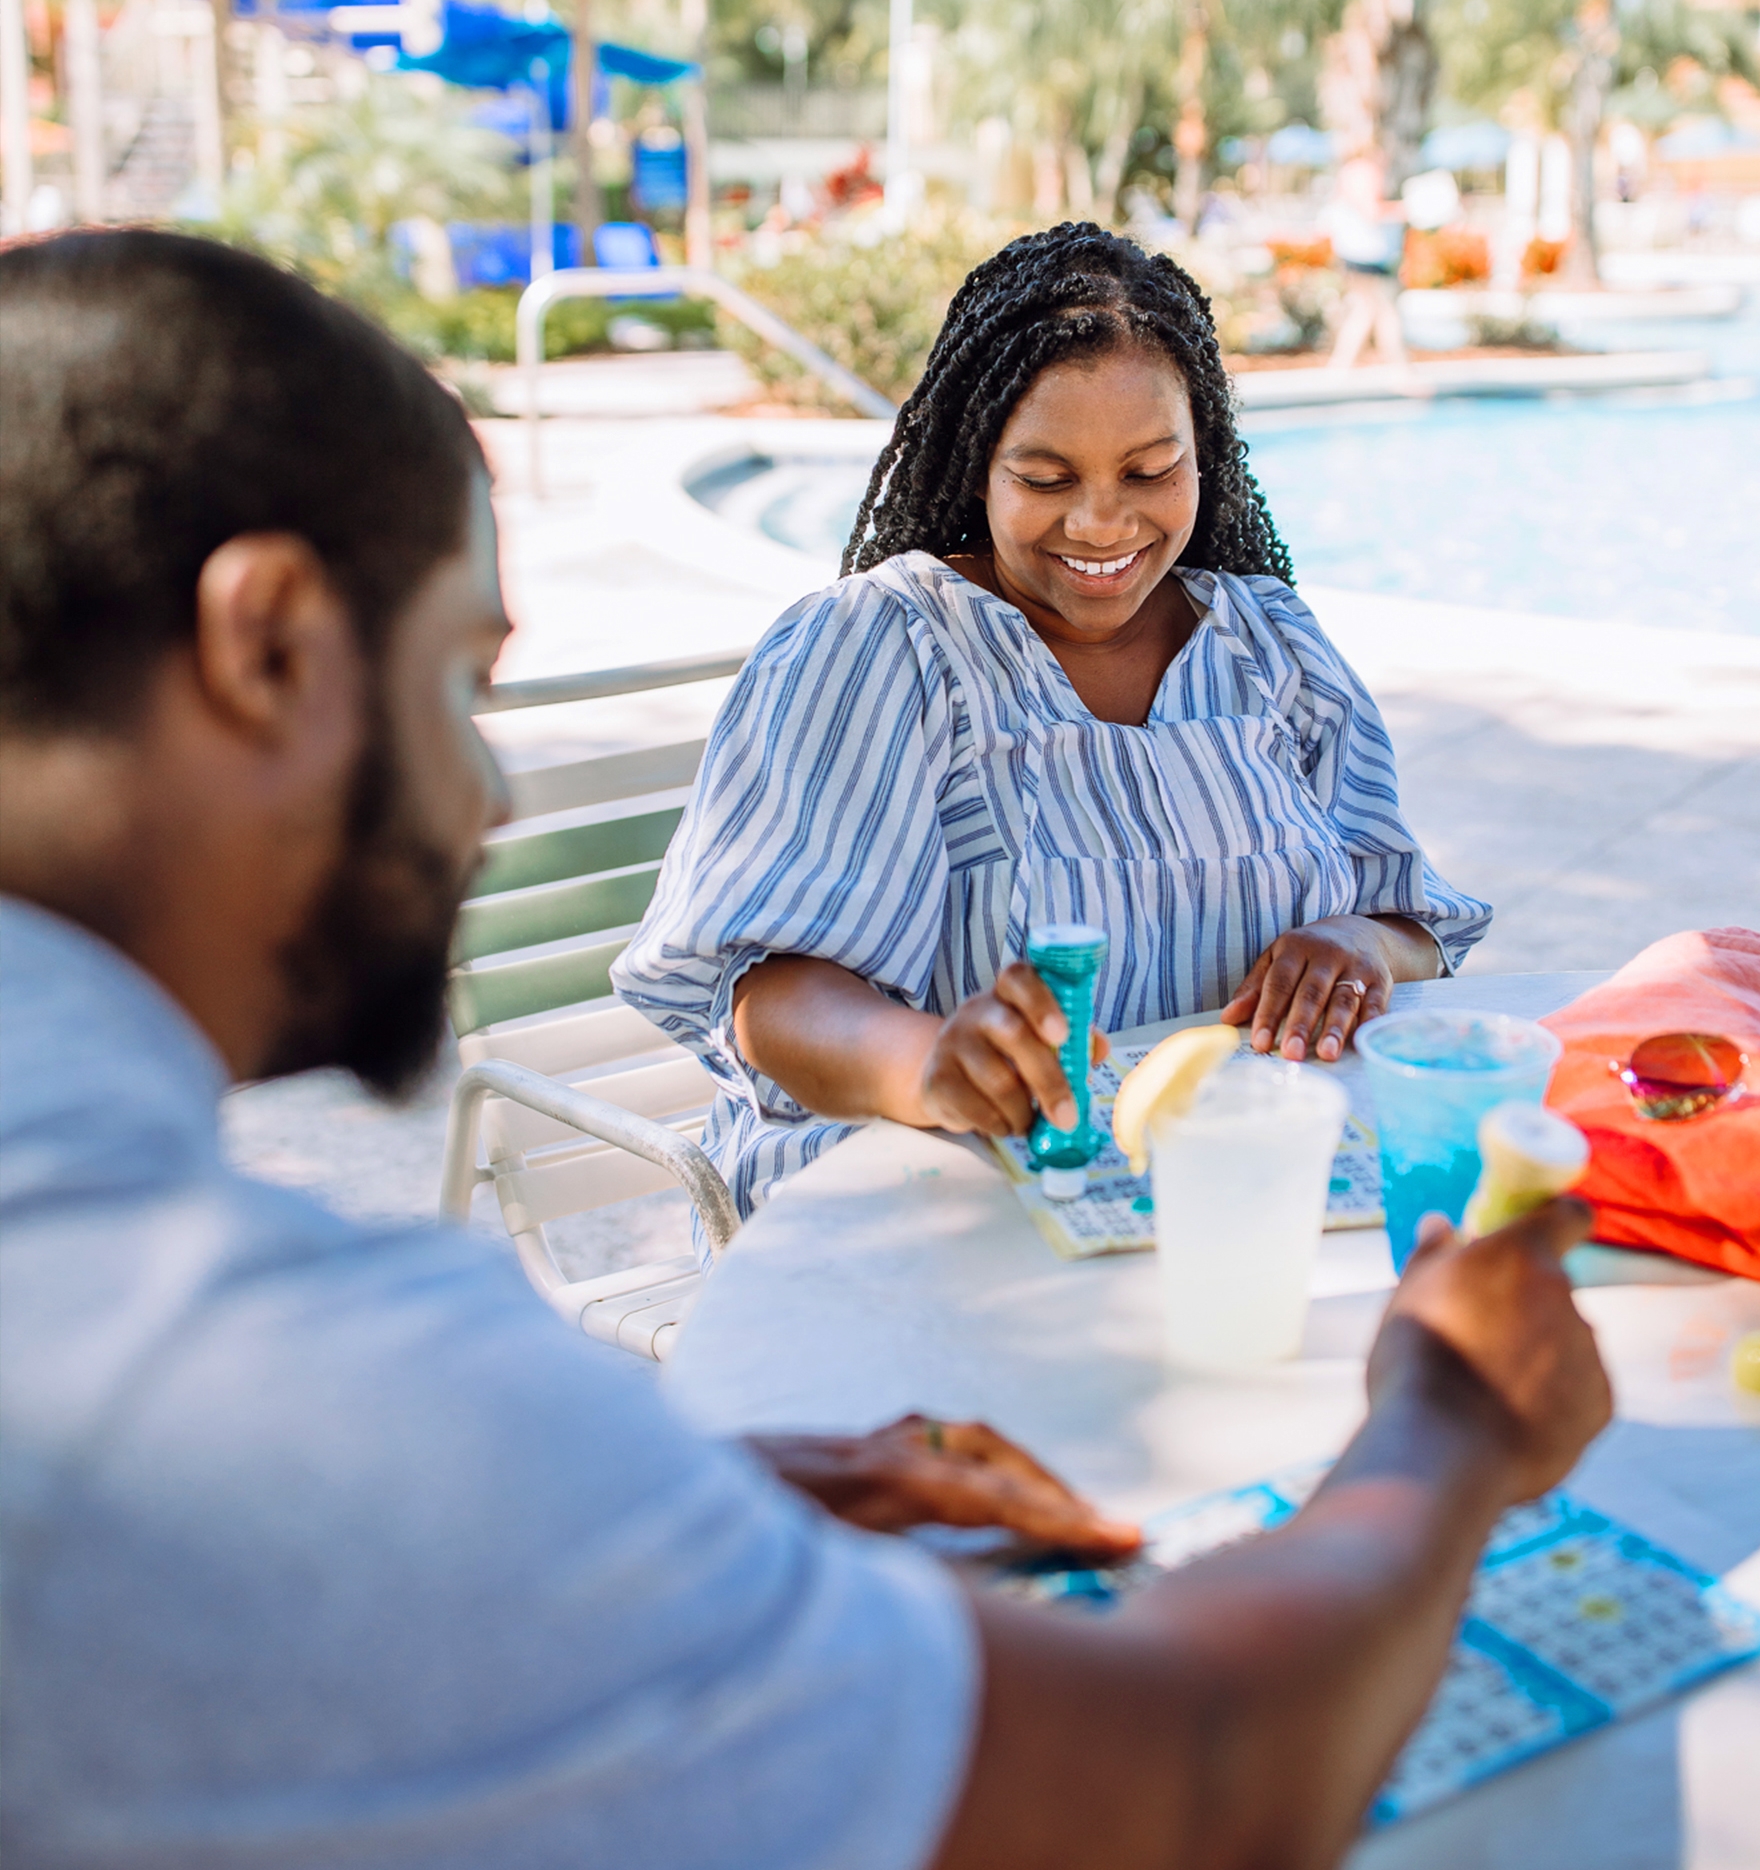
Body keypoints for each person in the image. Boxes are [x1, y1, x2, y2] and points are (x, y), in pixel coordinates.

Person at [1, 230, 1611, 1870]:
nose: (489, 802)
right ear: (265, 643)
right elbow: (1204, 1779)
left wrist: (709, 1504)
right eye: (459, 685)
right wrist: (1453, 1416)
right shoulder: (284, 1389)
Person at [617, 223, 1482, 1230]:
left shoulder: (1269, 643)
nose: (1103, 525)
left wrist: (1354, 946)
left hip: (1233, 1185)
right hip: (935, 1202)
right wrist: (926, 1065)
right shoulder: (882, 648)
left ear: (1209, 455)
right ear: (977, 464)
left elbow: (1415, 926)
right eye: (1046, 479)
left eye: (1152, 469)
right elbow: (769, 1001)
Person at [1326, 150, 1409, 372]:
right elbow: (1371, 211)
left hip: (1354, 253)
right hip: (1366, 255)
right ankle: (1398, 370)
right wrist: (1405, 209)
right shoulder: (1364, 173)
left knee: (1367, 311)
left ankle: (1340, 367)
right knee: (1382, 311)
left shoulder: (1349, 172)